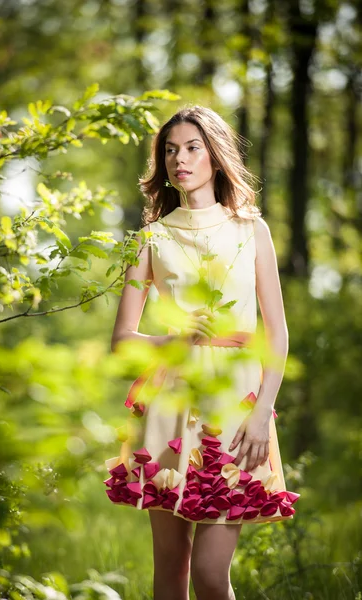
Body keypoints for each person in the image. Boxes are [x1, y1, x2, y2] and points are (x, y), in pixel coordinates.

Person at [104, 106, 300, 600]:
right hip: (169, 402)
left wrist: (261, 414)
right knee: (170, 574)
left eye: (192, 148)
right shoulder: (150, 237)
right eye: (170, 150)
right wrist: (173, 341)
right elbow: (122, 341)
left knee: (212, 576)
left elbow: (276, 334)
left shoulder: (250, 229)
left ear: (214, 155)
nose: (180, 159)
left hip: (237, 404)